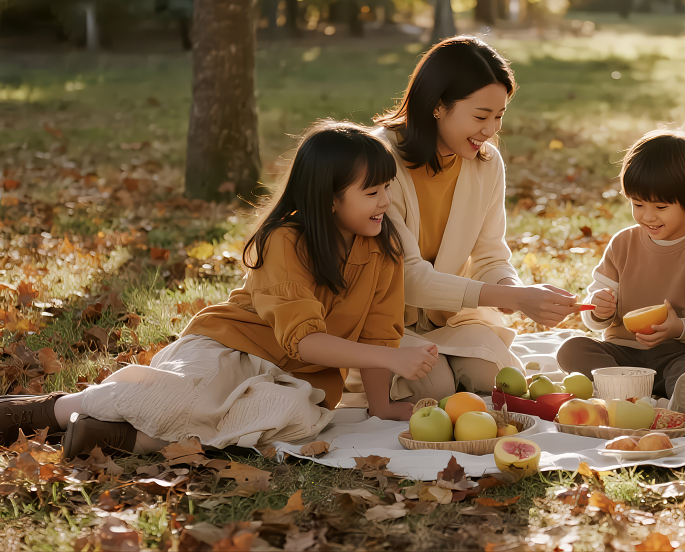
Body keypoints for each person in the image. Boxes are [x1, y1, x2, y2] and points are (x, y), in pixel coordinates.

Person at [0, 121, 439, 457]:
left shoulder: (385, 253)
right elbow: (304, 340)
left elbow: (379, 335)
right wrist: (391, 358)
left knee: (298, 419)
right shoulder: (285, 242)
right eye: (371, 192)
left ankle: (131, 438)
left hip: (298, 379)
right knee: (196, 392)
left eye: (386, 189)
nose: (385, 202)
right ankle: (55, 410)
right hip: (232, 347)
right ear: (329, 198)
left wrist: (380, 406)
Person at [368, 36, 579, 403]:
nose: (491, 130)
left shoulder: (486, 163)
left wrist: (512, 292)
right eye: (481, 116)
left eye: (499, 116)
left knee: (491, 375)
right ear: (436, 106)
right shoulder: (379, 159)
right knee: (432, 388)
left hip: (446, 317)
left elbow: (490, 255)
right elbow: (409, 279)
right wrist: (511, 294)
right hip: (381, 317)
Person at [556, 130, 685, 423]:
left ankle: (673, 400)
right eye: (638, 204)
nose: (648, 216)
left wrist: (678, 327)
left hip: (679, 353)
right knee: (572, 350)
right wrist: (599, 310)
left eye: (661, 207)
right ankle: (634, 394)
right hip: (623, 354)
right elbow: (593, 312)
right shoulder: (622, 244)